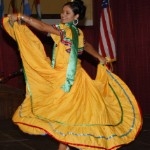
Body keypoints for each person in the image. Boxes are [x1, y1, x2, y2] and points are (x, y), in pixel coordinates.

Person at [2, 0, 142, 150]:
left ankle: (65, 147)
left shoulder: (76, 32)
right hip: (61, 77)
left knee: (75, 115)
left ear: (76, 17)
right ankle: (64, 146)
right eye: (63, 12)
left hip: (77, 80)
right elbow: (44, 27)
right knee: (68, 115)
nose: (63, 15)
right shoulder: (64, 30)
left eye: (67, 13)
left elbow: (85, 44)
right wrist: (22, 18)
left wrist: (99, 57)